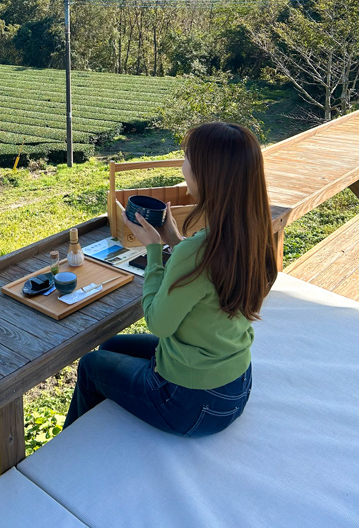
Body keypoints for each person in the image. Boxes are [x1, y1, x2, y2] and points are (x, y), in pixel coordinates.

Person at [63, 122, 278, 437]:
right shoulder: (253, 234)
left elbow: (158, 324)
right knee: (112, 345)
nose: (182, 166)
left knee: (90, 366)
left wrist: (153, 250)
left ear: (206, 174)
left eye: (187, 158)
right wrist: (175, 240)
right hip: (236, 384)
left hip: (191, 403)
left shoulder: (196, 252)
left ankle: (74, 449)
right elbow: (210, 275)